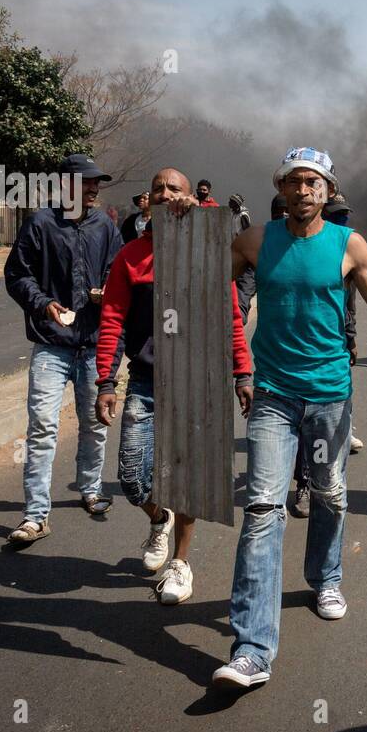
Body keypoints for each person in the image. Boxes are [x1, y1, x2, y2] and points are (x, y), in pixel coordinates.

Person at [211, 146, 367, 689]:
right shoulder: (255, 242)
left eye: (314, 183)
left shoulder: (348, 245)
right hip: (272, 396)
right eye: (295, 182)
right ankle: (252, 649)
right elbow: (203, 289)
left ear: (329, 192)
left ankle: (325, 577)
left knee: (330, 492)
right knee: (263, 507)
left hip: (331, 395)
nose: (304, 191)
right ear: (280, 189)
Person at [95, 168, 254, 605]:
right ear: (147, 201)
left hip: (197, 381)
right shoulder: (130, 257)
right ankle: (158, 518)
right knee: (131, 477)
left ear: (189, 197)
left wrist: (243, 373)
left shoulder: (206, 251)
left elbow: (231, 319)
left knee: (188, 479)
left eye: (174, 189)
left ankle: (180, 564)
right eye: (157, 189)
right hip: (146, 383)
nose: (164, 194)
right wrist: (106, 381)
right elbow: (112, 322)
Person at [4, 154, 122, 543]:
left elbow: (116, 270)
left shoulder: (105, 225)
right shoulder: (40, 224)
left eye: (96, 184)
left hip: (93, 345)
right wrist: (43, 303)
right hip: (51, 347)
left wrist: (107, 291)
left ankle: (90, 489)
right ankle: (35, 516)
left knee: (95, 423)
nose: (93, 189)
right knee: (42, 427)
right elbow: (16, 274)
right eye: (86, 183)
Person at [325, 191, 364, 453]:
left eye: (344, 214)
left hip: (338, 330)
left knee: (342, 385)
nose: (342, 218)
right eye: (336, 214)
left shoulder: (348, 245)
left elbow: (350, 302)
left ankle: (344, 430)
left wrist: (351, 337)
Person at [228, 193, 256, 324]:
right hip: (234, 251)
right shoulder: (232, 214)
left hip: (243, 253)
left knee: (243, 286)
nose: (229, 203)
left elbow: (246, 232)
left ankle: (241, 316)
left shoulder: (243, 216)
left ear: (237, 203)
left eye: (232, 201)